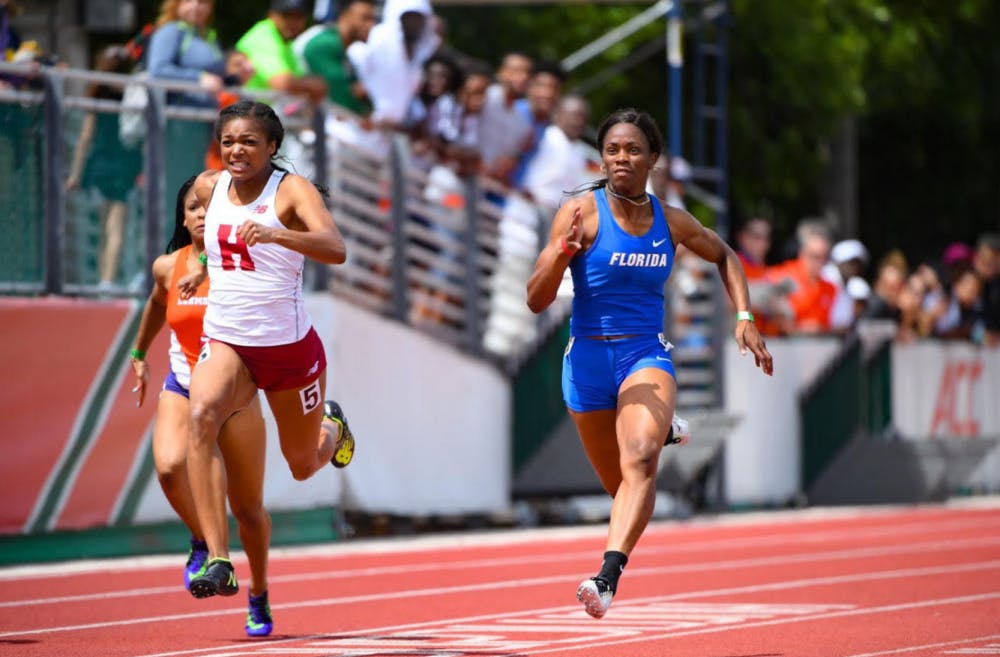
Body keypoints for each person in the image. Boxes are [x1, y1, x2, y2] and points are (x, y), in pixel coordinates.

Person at [525, 108, 773, 619]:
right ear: (601, 156)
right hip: (588, 358)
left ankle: (606, 577)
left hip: (644, 352)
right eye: (613, 149)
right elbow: (535, 299)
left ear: (653, 159)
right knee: (622, 486)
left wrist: (745, 315)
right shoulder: (580, 213)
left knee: (639, 460)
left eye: (633, 149)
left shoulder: (671, 220)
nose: (622, 158)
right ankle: (664, 428)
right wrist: (559, 256)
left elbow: (725, 254)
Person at [178, 99, 356, 598]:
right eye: (229, 141)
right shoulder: (209, 186)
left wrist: (278, 233)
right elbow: (207, 238)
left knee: (302, 465)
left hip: (288, 350)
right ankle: (218, 559)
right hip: (229, 339)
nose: (237, 151)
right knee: (201, 417)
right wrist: (199, 266)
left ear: (272, 147)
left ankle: (332, 425)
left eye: (250, 142)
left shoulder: (290, 190)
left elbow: (336, 248)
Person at [130, 176, 274, 636]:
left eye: (208, 208)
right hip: (184, 385)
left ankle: (260, 592)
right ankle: (209, 548)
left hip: (235, 399)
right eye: (191, 207)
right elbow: (157, 305)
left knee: (249, 510)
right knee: (171, 468)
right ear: (182, 215)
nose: (198, 214)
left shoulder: (243, 264)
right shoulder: (167, 266)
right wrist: (137, 355)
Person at [146, 0, 234, 223]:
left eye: (203, 1)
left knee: (197, 192)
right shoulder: (170, 31)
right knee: (178, 192)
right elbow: (157, 70)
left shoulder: (208, 36)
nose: (196, 6)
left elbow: (217, 78)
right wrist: (198, 79)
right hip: (177, 127)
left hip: (202, 130)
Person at [65, 45, 143, 290]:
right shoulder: (133, 94)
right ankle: (106, 280)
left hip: (101, 162)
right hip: (124, 161)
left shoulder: (97, 93)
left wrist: (75, 172)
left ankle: (105, 279)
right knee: (116, 223)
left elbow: (86, 136)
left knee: (105, 224)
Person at [236, 0, 329, 104]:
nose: (293, 22)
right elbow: (282, 83)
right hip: (244, 114)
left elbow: (298, 80)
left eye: (299, 17)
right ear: (271, 15)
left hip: (264, 114)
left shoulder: (286, 42)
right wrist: (310, 86)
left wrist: (307, 85)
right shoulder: (262, 36)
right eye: (287, 15)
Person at [294, 0, 377, 115]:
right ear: (344, 16)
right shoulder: (326, 43)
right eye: (365, 18)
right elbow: (340, 97)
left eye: (373, 19)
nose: (371, 25)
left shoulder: (344, 50)